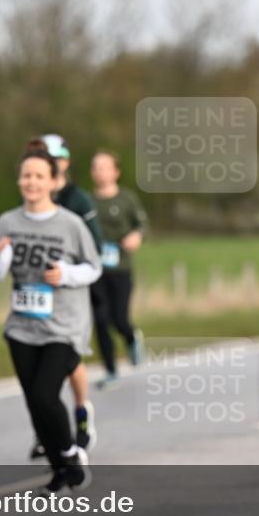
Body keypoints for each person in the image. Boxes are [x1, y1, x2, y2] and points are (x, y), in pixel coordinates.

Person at [0, 141, 101, 493]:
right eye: (26, 176)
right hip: (22, 326)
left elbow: (93, 267)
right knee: (35, 402)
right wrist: (3, 261)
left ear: (53, 181)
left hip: (63, 326)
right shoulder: (7, 222)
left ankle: (70, 453)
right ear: (19, 180)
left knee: (46, 395)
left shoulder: (70, 224)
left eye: (38, 176)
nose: (31, 182)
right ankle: (59, 469)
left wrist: (66, 274)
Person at [29, 133, 104, 457]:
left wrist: (67, 271)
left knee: (69, 361)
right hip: (37, 294)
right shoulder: (32, 195)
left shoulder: (78, 200)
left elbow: (95, 249)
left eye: (53, 158)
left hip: (70, 294)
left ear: (64, 161)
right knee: (39, 365)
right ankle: (46, 430)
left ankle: (81, 412)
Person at [90, 150, 149, 381]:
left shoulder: (126, 199)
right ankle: (110, 369)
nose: (100, 172)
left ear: (116, 172)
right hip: (95, 271)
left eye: (105, 167)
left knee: (119, 319)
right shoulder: (88, 201)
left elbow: (142, 224)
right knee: (100, 319)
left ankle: (132, 338)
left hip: (120, 268)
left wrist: (136, 236)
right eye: (96, 167)